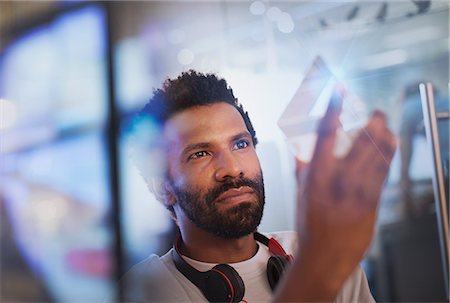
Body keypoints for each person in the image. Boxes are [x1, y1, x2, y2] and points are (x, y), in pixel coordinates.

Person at [121, 70, 396, 302]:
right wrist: (317, 274)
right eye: (200, 154)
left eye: (240, 144)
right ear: (162, 188)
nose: (232, 168)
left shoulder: (316, 249)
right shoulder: (144, 289)